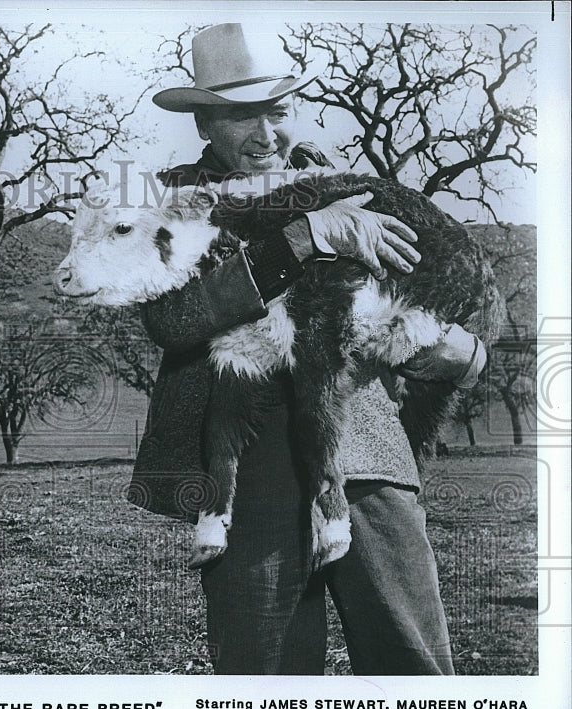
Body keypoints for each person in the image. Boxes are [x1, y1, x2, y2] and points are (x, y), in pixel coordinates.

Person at [131, 23, 487, 675]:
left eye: (277, 110)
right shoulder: (171, 207)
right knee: (263, 692)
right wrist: (303, 237)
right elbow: (175, 317)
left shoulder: (357, 190)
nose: (265, 133)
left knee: (417, 677)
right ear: (205, 125)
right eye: (242, 115)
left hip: (371, 462)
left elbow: (432, 290)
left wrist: (469, 356)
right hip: (245, 483)